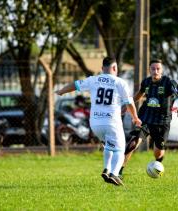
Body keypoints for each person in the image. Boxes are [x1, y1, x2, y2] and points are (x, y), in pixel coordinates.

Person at [55, 56, 142, 186]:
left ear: (102, 68)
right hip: (111, 121)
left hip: (95, 123)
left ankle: (107, 169)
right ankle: (114, 173)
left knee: (108, 145)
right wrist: (135, 117)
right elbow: (129, 103)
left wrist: (62, 91)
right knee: (119, 149)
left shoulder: (93, 80)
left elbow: (76, 84)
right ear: (114, 68)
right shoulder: (120, 82)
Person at [119, 59, 178, 179]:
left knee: (158, 151)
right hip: (146, 118)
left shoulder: (169, 83)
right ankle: (118, 171)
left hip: (162, 122)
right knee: (133, 143)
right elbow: (138, 96)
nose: (155, 71)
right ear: (149, 70)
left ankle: (158, 165)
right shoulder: (146, 82)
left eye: (158, 69)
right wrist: (127, 106)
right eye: (153, 69)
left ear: (161, 70)